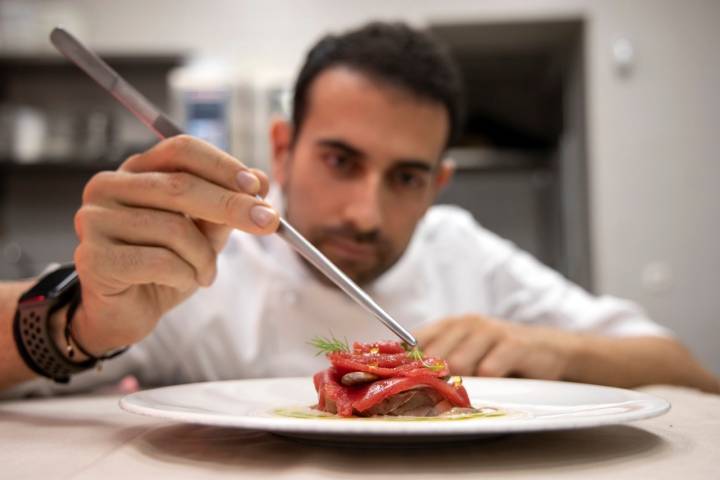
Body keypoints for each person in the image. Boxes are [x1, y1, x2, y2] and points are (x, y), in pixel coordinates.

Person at [1, 22, 717, 396]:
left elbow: (687, 371)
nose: (364, 212)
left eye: (405, 177)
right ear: (281, 150)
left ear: (438, 186)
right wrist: (80, 322)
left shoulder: (463, 251)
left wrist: (557, 350)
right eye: (339, 161)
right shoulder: (201, 255)